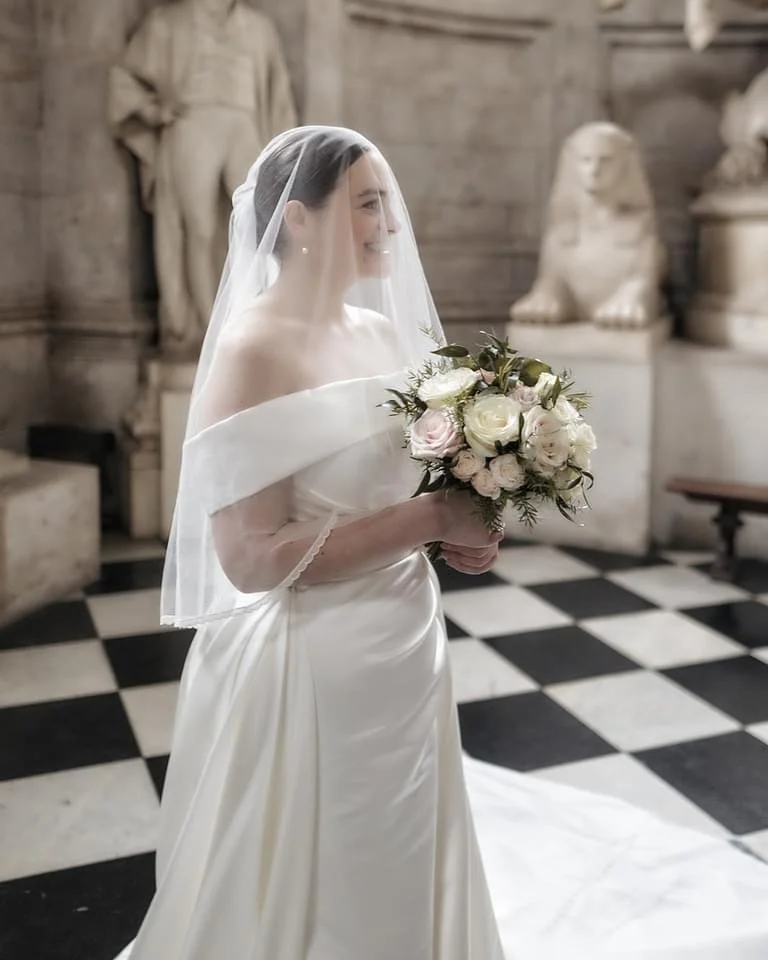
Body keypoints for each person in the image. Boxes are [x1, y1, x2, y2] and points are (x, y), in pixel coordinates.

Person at [116, 126, 768, 960]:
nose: (389, 220)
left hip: (404, 640)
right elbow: (249, 558)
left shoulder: (383, 336)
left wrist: (471, 517)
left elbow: (406, 483)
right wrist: (427, 523)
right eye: (365, 202)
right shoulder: (253, 350)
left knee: (402, 845)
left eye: (386, 200)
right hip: (307, 666)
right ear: (299, 221)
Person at [108, 0, 297, 353]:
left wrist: (286, 153)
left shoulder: (258, 28)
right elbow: (124, 80)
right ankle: (209, 324)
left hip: (245, 124)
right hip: (193, 123)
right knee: (198, 229)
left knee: (261, 223)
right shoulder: (167, 22)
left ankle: (256, 314)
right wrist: (153, 110)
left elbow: (278, 95)